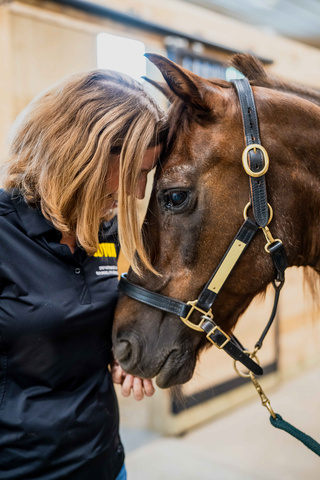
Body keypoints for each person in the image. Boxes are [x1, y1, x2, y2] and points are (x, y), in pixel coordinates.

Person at [0, 68, 167, 480]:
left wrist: (116, 354)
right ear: (84, 156)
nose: (138, 192)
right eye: (134, 174)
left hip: (106, 463)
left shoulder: (103, 231)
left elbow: (81, 317)